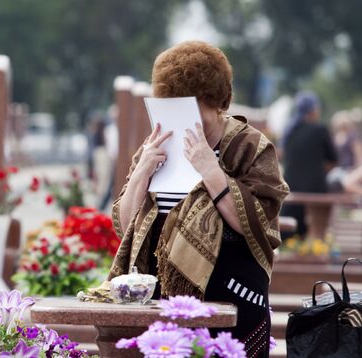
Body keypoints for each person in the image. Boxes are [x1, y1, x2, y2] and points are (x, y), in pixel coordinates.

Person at [108, 41, 289, 357]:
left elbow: (259, 228)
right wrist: (141, 174)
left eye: (198, 118)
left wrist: (211, 170)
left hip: (233, 303)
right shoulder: (158, 143)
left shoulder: (250, 147)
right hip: (160, 308)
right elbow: (126, 228)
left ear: (219, 103)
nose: (190, 129)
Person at [280, 92, 337, 238]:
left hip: (290, 188)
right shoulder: (320, 130)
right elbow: (333, 160)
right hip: (315, 190)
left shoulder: (289, 131)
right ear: (313, 110)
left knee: (290, 232)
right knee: (318, 232)